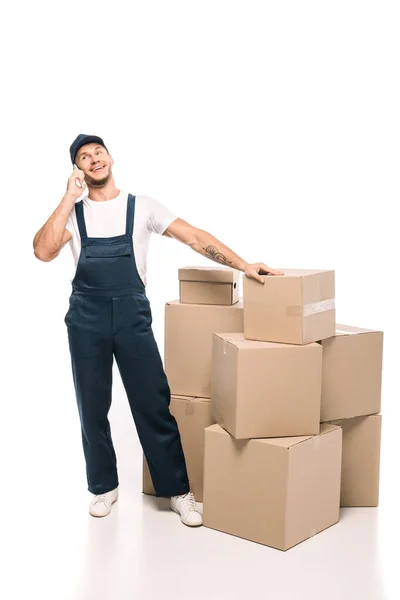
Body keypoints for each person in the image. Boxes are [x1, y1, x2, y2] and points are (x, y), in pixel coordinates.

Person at [33, 133, 284, 526]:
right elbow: (43, 251)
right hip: (86, 318)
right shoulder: (74, 214)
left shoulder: (142, 207)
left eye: (98, 152)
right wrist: (67, 198)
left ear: (110, 157)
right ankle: (103, 487)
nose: (93, 159)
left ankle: (177, 491)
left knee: (153, 402)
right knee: (92, 407)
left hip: (132, 316)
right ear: (77, 169)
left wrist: (244, 265)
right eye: (84, 157)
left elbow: (195, 238)